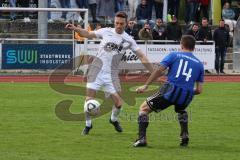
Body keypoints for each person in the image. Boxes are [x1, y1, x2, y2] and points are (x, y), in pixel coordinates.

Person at [65, 11, 154, 135]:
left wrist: (153, 72)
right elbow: (88, 34)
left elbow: (142, 57)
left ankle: (113, 119)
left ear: (126, 23)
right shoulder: (106, 31)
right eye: (116, 23)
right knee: (89, 100)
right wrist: (75, 29)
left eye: (121, 23)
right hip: (95, 70)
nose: (118, 25)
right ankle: (88, 125)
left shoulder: (129, 40)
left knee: (118, 103)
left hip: (111, 74)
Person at [133, 35, 204, 147]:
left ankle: (142, 139)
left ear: (181, 45)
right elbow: (199, 90)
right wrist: (187, 90)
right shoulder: (200, 64)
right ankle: (184, 135)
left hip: (170, 90)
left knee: (143, 109)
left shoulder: (174, 55)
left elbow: (159, 71)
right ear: (194, 47)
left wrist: (146, 85)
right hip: (186, 96)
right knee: (181, 109)